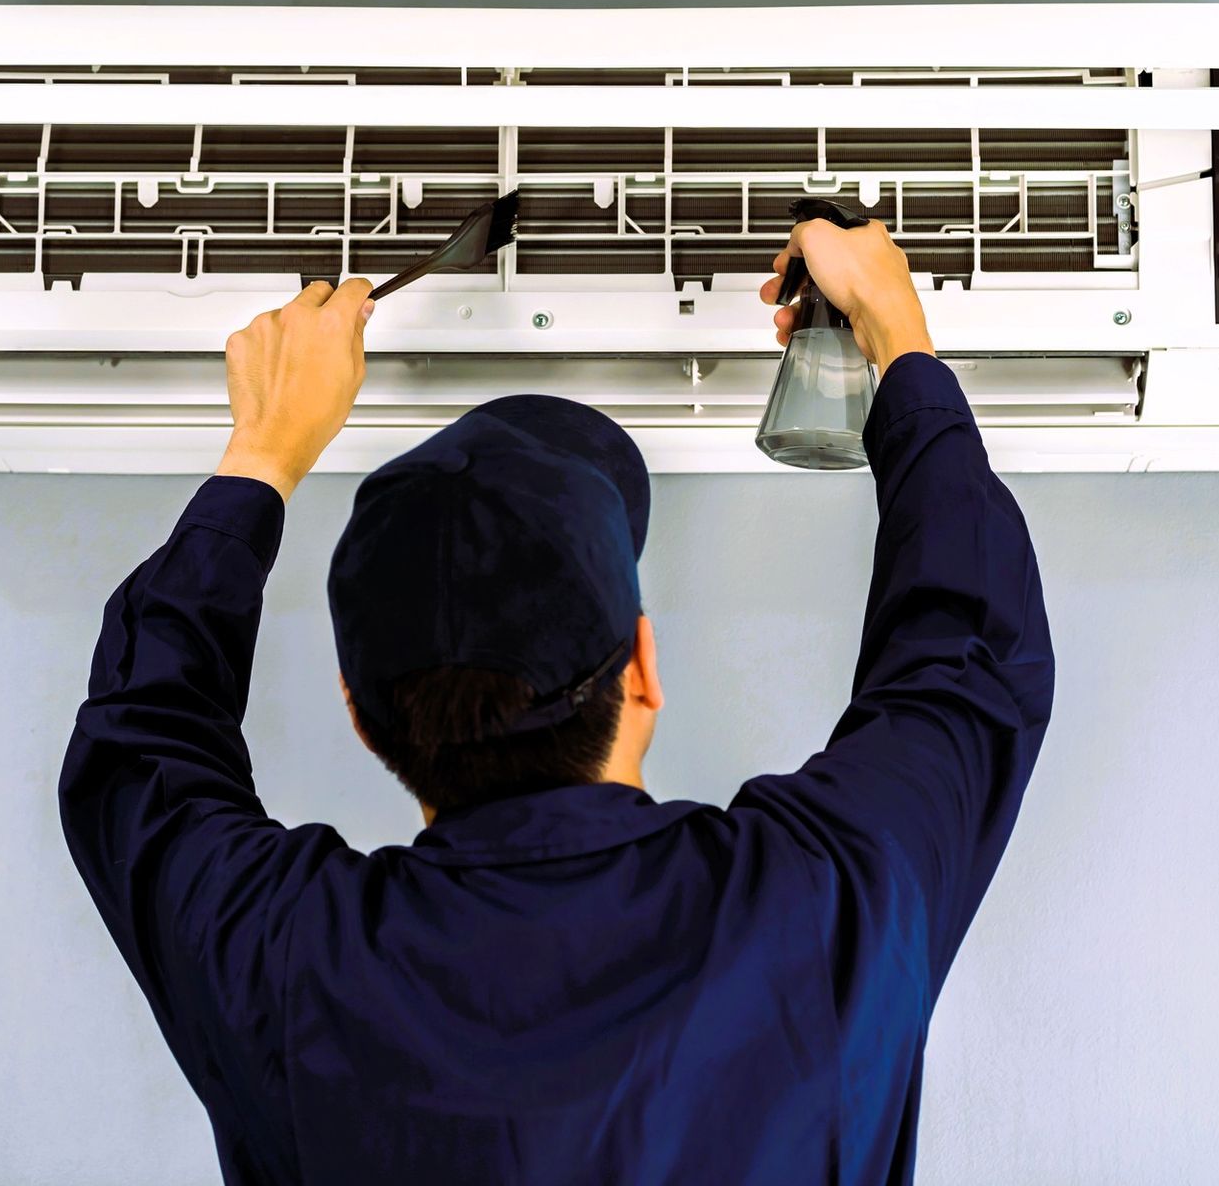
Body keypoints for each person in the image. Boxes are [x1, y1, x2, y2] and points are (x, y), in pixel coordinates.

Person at [60, 217, 1055, 1185]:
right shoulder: (819, 898)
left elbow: (139, 740)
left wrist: (264, 453)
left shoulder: (279, 965)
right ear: (643, 670)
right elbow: (967, 651)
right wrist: (894, 331)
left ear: (362, 716)